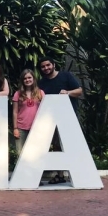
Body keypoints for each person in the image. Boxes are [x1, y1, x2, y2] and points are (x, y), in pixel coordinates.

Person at [38, 56, 83, 184]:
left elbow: (79, 91)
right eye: (43, 66)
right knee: (56, 146)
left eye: (48, 65)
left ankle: (78, 173)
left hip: (68, 117)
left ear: (53, 64)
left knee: (71, 146)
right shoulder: (41, 83)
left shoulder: (66, 76)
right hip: (50, 120)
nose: (46, 68)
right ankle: (60, 175)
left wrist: (67, 93)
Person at [12, 69, 45, 154]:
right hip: (21, 128)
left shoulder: (41, 93)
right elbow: (15, 112)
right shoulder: (18, 94)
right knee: (20, 154)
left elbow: (45, 111)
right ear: (22, 81)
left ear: (33, 79)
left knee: (35, 154)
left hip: (36, 128)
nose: (27, 80)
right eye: (25, 78)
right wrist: (15, 128)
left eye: (29, 77)